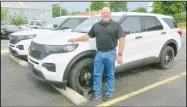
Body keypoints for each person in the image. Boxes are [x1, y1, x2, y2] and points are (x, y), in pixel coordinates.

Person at [68, 7, 125, 101]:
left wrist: (120, 54)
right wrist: (76, 39)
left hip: (111, 53)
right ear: (101, 14)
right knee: (97, 74)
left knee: (110, 74)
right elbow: (88, 36)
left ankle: (108, 92)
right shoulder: (96, 26)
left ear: (110, 14)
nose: (105, 14)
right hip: (99, 54)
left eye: (107, 12)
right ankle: (97, 93)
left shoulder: (116, 25)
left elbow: (122, 39)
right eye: (103, 13)